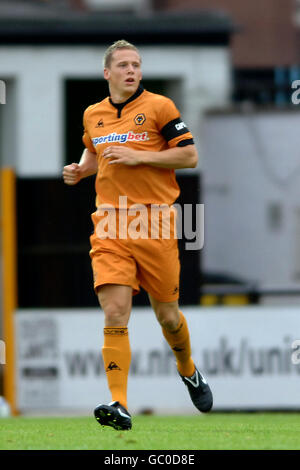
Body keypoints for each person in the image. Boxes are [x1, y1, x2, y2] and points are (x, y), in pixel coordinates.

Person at [63, 40, 213, 431]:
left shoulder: (160, 107)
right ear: (107, 73)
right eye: (124, 65)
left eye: (137, 65)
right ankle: (119, 402)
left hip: (155, 223)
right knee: (114, 311)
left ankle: (188, 369)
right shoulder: (93, 114)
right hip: (111, 223)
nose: (132, 70)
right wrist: (82, 169)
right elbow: (95, 153)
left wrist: (141, 155)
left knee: (168, 316)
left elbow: (189, 155)